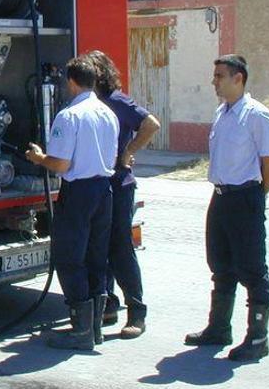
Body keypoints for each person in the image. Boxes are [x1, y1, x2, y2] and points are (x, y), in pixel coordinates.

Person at [184, 54, 269, 362]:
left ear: (238, 78)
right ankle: (219, 329)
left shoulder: (258, 116)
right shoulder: (223, 112)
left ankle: (257, 338)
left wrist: (254, 197)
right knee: (221, 265)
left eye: (219, 76)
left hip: (245, 198)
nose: (214, 82)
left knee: (252, 269)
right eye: (215, 76)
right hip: (221, 197)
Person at [26, 54, 119, 350]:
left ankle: (80, 331)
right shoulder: (108, 113)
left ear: (71, 82)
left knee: (69, 257)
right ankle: (95, 327)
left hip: (78, 193)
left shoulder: (69, 116)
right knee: (96, 256)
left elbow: (61, 164)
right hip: (104, 191)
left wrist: (39, 158)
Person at [89, 51, 160, 339]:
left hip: (119, 185)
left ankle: (137, 312)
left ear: (101, 75)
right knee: (100, 245)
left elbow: (151, 124)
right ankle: (108, 304)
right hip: (99, 184)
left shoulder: (117, 101)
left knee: (120, 247)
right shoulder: (91, 103)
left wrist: (128, 151)